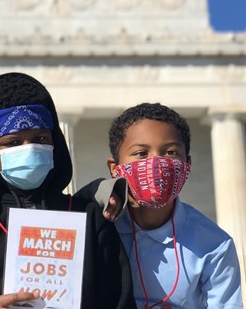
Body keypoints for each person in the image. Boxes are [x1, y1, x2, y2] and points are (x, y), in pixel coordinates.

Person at [0, 72, 134, 309]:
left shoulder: (89, 218)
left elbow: (118, 300)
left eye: (40, 138)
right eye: (13, 142)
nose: (30, 149)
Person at [99, 103, 243, 308]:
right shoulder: (98, 228)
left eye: (171, 152)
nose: (156, 163)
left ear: (187, 165)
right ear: (115, 168)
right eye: (141, 153)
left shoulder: (215, 245)